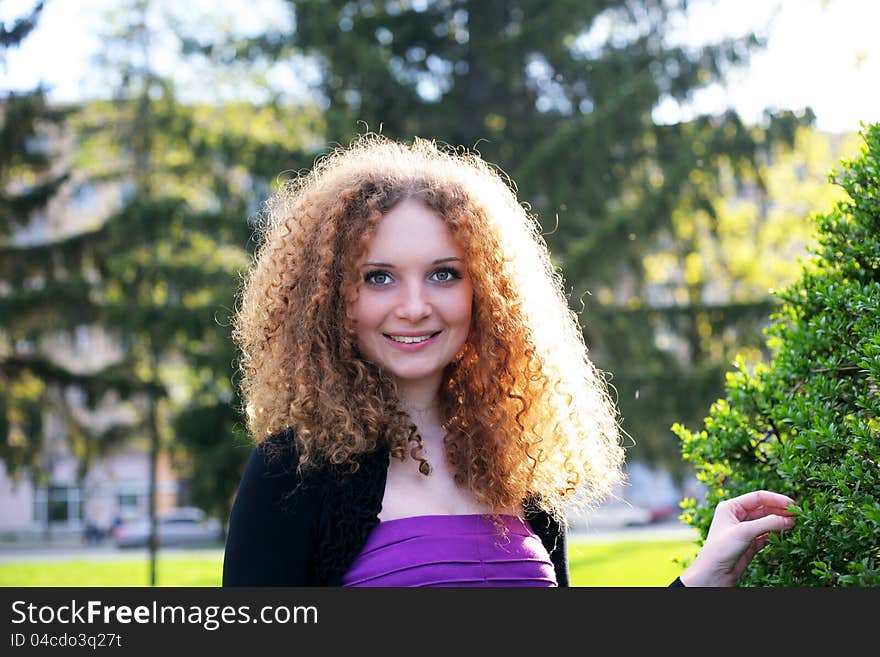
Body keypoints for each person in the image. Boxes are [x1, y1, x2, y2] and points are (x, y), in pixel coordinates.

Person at [222, 135, 796, 587]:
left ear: (488, 294)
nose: (416, 307)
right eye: (379, 278)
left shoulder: (516, 470)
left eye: (445, 274)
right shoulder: (291, 474)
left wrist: (703, 579)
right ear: (330, 298)